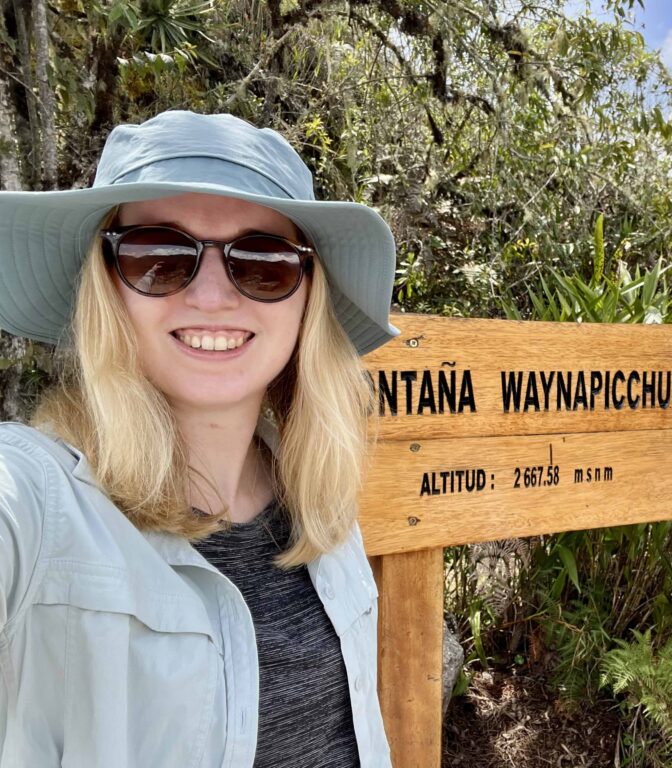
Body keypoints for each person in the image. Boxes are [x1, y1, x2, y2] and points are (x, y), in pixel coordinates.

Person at [0, 111, 397, 767]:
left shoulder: (316, 495)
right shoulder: (41, 505)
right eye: (158, 256)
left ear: (306, 297)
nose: (212, 297)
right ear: (106, 284)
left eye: (263, 262)